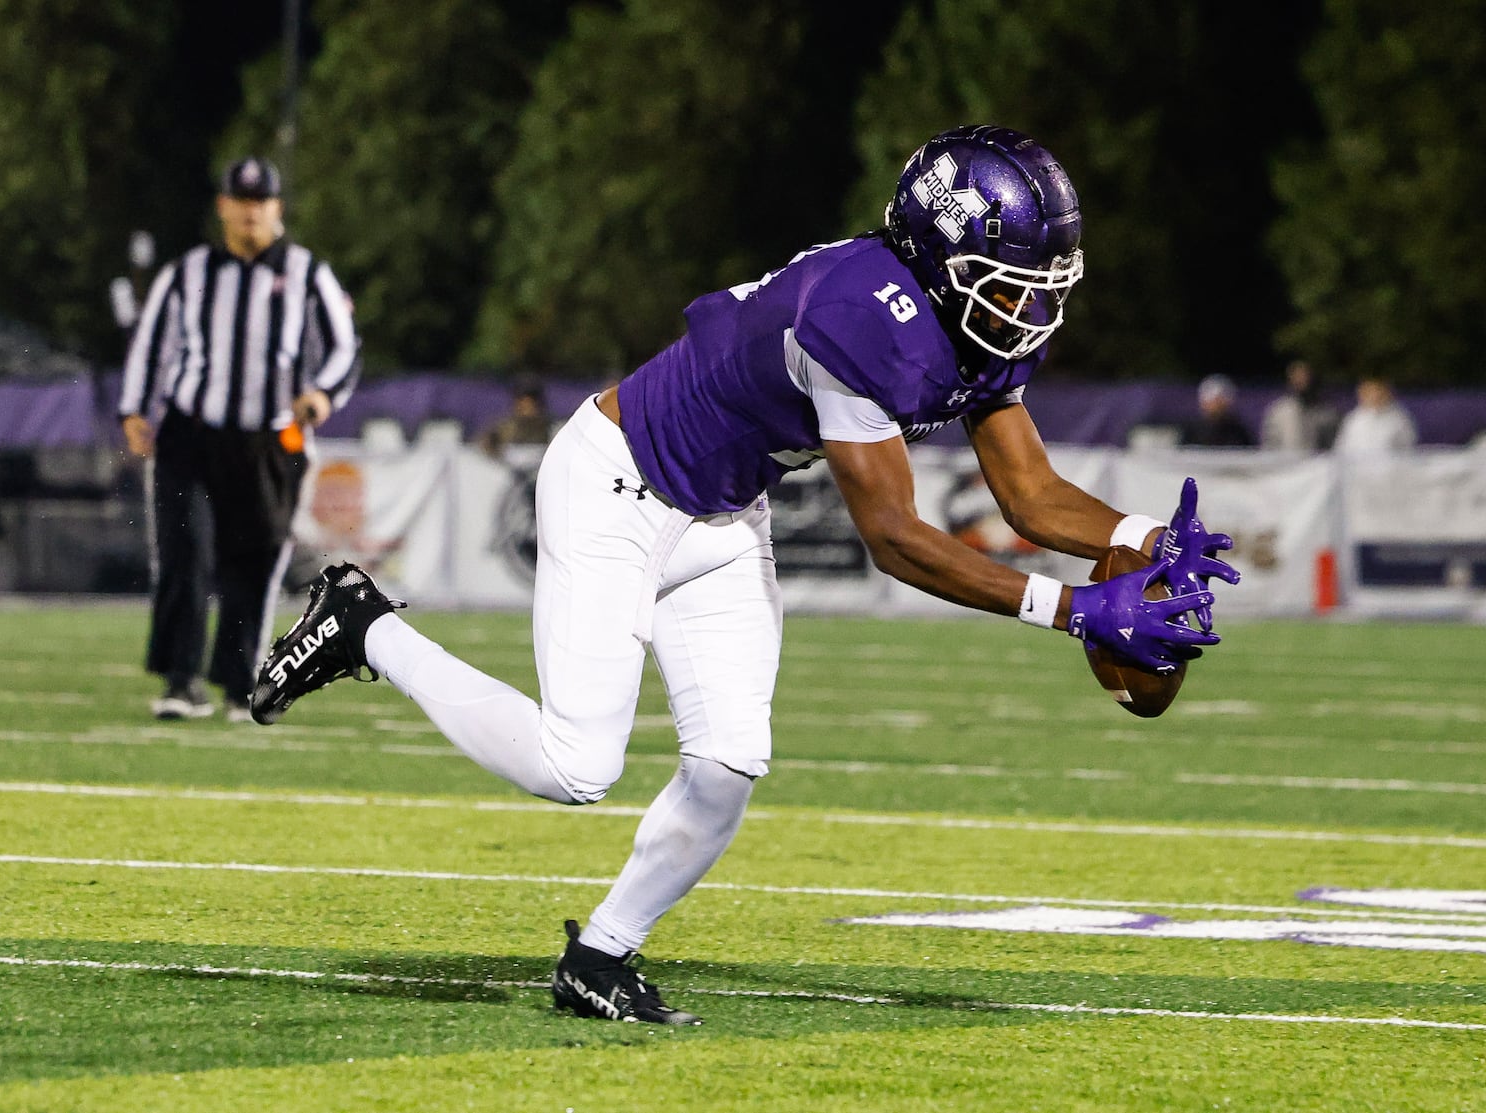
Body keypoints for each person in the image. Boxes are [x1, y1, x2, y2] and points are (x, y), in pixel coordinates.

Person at [248, 125, 1239, 1023]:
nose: (1030, 308)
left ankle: (600, 956)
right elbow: (894, 535)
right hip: (617, 483)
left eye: (1041, 285)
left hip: (722, 513)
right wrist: (1072, 609)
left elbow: (1028, 494)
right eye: (1010, 283)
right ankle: (364, 624)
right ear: (941, 259)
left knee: (726, 763)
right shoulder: (862, 316)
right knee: (575, 766)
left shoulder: (959, 325)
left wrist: (1149, 538)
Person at [119, 156, 360, 722]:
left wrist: (322, 393)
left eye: (261, 202)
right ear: (223, 207)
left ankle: (237, 681)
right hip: (191, 435)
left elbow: (345, 347)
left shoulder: (307, 272)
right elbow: (153, 342)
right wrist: (134, 409)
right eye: (242, 201)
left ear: (277, 208)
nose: (251, 212)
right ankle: (180, 681)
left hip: (269, 440)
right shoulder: (188, 272)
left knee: (254, 560)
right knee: (186, 553)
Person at [1259, 359, 1340, 452]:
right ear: (1290, 380)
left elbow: (1333, 447)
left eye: (1305, 376)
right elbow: (1269, 444)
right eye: (1297, 377)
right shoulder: (1278, 411)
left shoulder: (1327, 414)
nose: (1302, 381)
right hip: (1285, 460)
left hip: (1315, 460)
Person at [1334, 375, 1417, 455]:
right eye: (1368, 391)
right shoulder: (1353, 418)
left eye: (1377, 390)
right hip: (1354, 463)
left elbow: (1408, 451)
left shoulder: (1400, 419)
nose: (1374, 395)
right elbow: (1340, 449)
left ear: (1387, 392)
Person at [479, 375, 554, 461]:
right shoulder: (505, 428)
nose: (526, 407)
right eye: (522, 402)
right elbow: (485, 444)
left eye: (530, 402)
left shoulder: (550, 428)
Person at [1179, 373, 1254, 447]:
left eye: (1220, 400)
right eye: (1212, 400)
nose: (1216, 405)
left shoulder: (1238, 431)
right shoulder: (1192, 430)